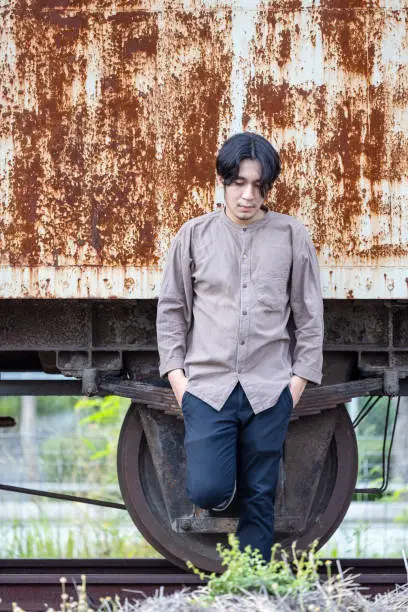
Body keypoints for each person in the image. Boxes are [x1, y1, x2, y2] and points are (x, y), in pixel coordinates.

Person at [156, 132, 324, 562]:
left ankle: (250, 582)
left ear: (267, 188)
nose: (247, 195)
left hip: (270, 389)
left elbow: (309, 315)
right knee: (208, 489)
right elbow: (172, 310)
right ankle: (225, 485)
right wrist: (179, 383)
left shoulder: (291, 236)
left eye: (258, 185)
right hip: (207, 389)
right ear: (222, 181)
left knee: (261, 493)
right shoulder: (193, 236)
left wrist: (296, 385)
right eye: (238, 183)